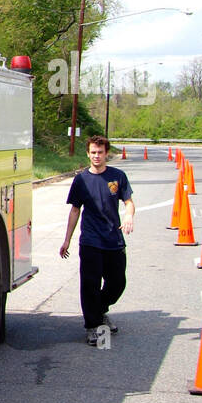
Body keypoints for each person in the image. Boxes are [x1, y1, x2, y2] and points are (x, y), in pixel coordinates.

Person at [59, 135, 135, 345]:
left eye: (100, 152)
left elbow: (128, 202)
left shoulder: (117, 176)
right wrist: (67, 240)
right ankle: (93, 325)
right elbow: (75, 210)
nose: (97, 156)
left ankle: (99, 310)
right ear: (88, 153)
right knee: (90, 284)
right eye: (93, 152)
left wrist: (129, 215)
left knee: (118, 283)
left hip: (114, 239)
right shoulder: (81, 180)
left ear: (106, 153)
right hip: (91, 241)